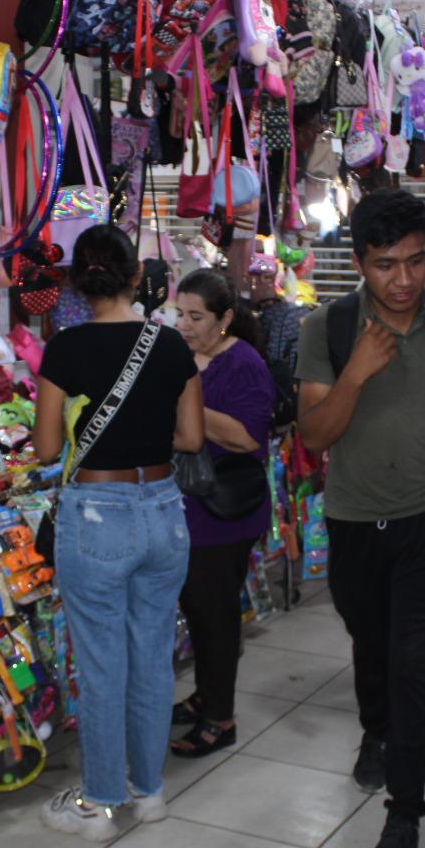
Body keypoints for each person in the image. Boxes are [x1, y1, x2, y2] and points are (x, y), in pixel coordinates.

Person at [296, 189, 425, 848]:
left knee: (418, 666)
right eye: (386, 265)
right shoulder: (328, 328)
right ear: (358, 263)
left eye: (415, 261)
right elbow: (316, 437)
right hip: (354, 523)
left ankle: (403, 811)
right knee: (371, 646)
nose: (405, 280)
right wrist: (355, 373)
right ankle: (375, 730)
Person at [32, 226, 205, 841]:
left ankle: (99, 802)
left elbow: (48, 447)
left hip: (97, 515)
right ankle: (149, 791)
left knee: (103, 663)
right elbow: (190, 438)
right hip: (162, 510)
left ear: (79, 282)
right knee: (153, 658)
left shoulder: (65, 349)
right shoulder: (171, 347)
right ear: (137, 278)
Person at [168, 270, 274, 757]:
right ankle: (205, 696)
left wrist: (183, 402)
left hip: (224, 510)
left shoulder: (243, 364)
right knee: (197, 608)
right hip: (186, 508)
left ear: (225, 319)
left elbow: (248, 437)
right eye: (179, 314)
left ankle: (221, 718)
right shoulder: (181, 357)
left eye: (196, 317)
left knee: (215, 616)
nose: (185, 325)